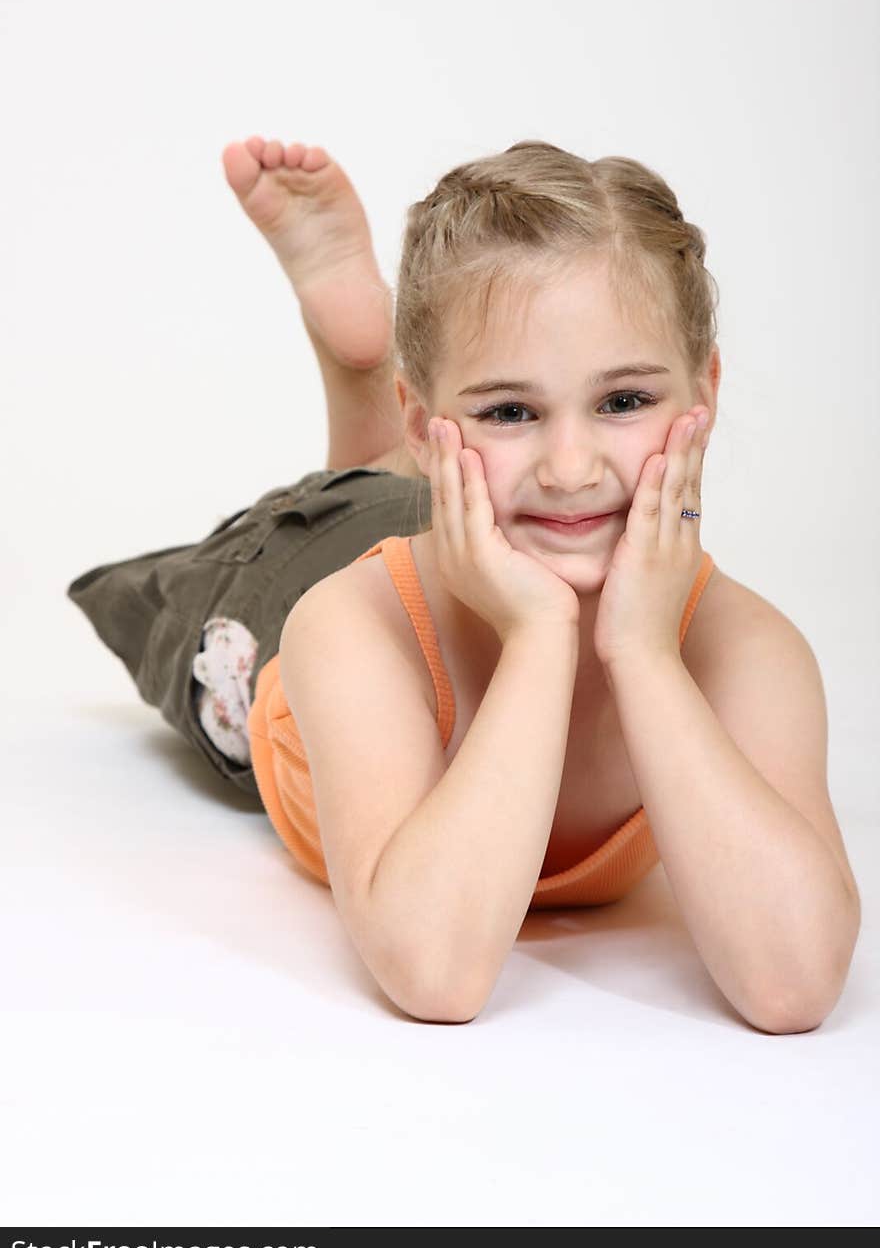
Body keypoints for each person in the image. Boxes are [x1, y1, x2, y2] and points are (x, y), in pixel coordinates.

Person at [79, 136, 863, 1032]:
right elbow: (437, 973)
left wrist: (643, 651)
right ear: (433, 420)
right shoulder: (347, 629)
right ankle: (367, 379)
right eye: (510, 410)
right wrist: (539, 639)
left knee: (429, 491)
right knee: (232, 614)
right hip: (338, 580)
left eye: (623, 402)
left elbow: (795, 984)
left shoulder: (744, 649)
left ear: (706, 394)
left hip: (479, 510)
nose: (573, 467)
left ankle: (379, 380)